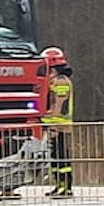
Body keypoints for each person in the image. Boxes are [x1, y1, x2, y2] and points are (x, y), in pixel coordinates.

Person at [42, 46, 75, 198]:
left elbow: (59, 105)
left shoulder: (60, 82)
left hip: (61, 127)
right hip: (54, 126)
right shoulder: (54, 81)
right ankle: (58, 185)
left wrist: (54, 126)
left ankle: (66, 187)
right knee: (55, 158)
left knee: (62, 157)